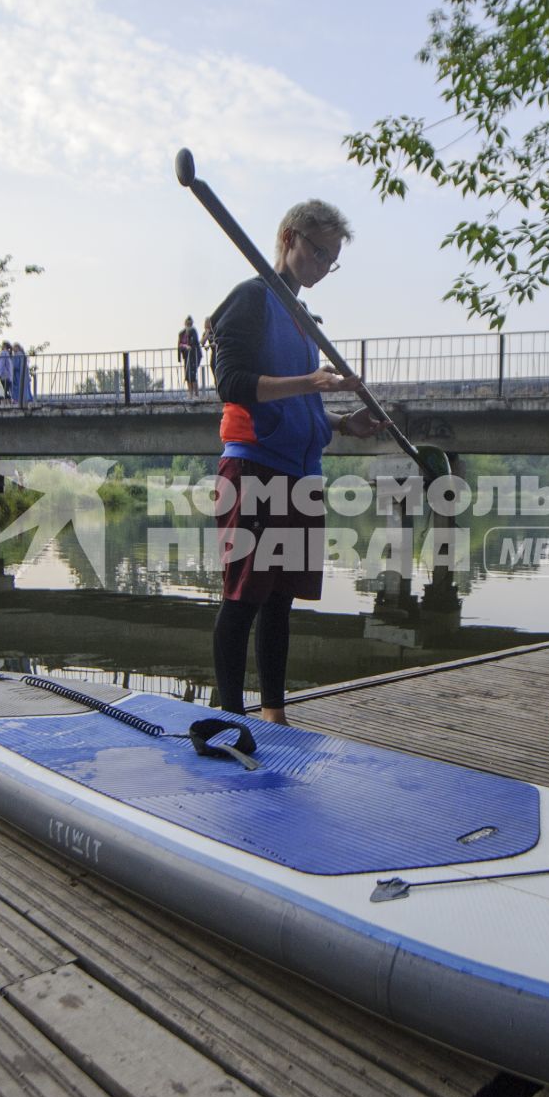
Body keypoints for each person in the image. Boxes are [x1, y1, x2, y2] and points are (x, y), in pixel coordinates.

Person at [207, 200, 385, 724]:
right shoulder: (251, 299)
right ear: (289, 236)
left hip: (300, 475)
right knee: (243, 598)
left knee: (281, 602)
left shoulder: (302, 320)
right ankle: (230, 718)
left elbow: (296, 405)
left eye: (332, 258)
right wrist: (311, 382)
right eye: (318, 250)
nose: (323, 265)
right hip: (254, 470)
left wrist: (338, 423)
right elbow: (232, 385)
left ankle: (274, 715)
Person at [177, 316, 203, 395]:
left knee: (192, 374)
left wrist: (189, 337)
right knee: (187, 375)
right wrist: (179, 357)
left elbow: (195, 341)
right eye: (187, 323)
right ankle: (190, 393)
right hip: (186, 356)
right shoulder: (181, 333)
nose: (188, 325)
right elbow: (179, 344)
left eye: (190, 324)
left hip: (194, 355)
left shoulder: (193, 331)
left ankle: (196, 393)